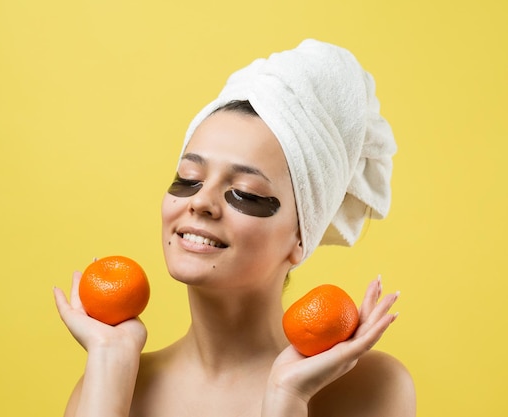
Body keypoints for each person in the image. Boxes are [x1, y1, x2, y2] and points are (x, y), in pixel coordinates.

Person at [53, 39, 416, 417]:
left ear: (300, 236)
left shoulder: (368, 388)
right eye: (189, 178)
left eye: (244, 193)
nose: (200, 202)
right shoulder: (112, 379)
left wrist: (286, 399)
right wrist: (110, 361)